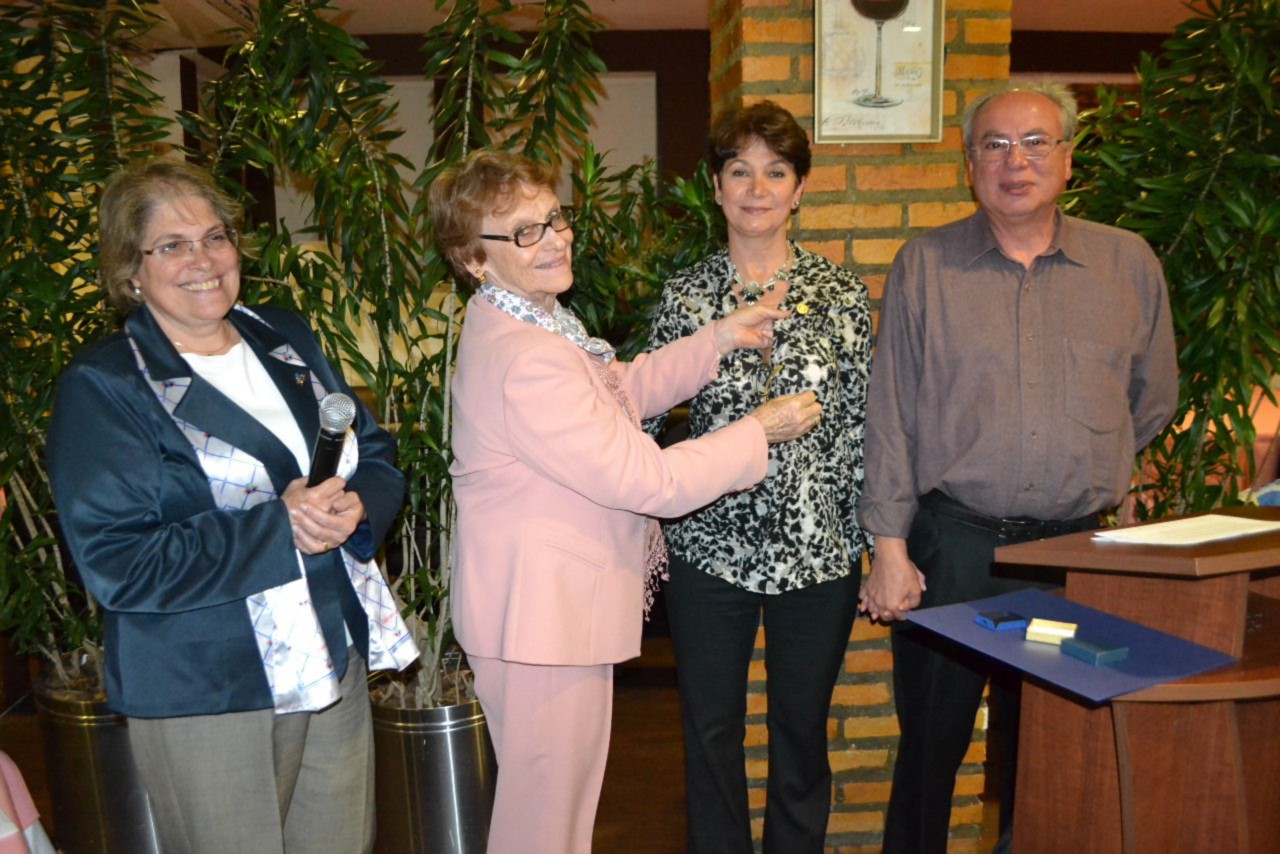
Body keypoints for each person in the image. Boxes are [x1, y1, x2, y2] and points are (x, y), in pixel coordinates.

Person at [432, 148, 822, 854]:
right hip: (541, 622)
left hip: (546, 617)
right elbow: (650, 481)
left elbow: (619, 393)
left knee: (555, 818)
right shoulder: (529, 357)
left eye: (554, 218)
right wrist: (757, 431)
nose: (554, 239)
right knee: (544, 829)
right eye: (523, 231)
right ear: (472, 258)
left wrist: (717, 339)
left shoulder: (531, 322)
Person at [47, 158, 414, 854]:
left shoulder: (283, 336)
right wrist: (282, 527)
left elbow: (373, 451)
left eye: (215, 237)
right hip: (210, 684)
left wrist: (358, 506)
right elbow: (119, 562)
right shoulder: (106, 384)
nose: (203, 260)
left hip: (330, 654)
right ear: (130, 269)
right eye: (172, 245)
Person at [857, 82, 1179, 854]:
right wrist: (889, 547)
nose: (1016, 162)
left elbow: (1153, 398)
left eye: (1036, 143)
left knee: (1051, 755)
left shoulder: (1126, 264)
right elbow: (891, 412)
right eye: (995, 145)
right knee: (930, 747)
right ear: (970, 165)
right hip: (954, 548)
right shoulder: (927, 265)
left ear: (1068, 158)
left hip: (1072, 556)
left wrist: (1094, 458)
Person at [646, 100, 874, 854]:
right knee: (710, 729)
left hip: (819, 551)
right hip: (708, 548)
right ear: (716, 187)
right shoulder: (687, 297)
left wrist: (875, 544)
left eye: (775, 172)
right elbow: (643, 419)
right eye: (739, 171)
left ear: (799, 189)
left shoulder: (841, 296)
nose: (756, 188)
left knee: (800, 729)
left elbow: (860, 428)